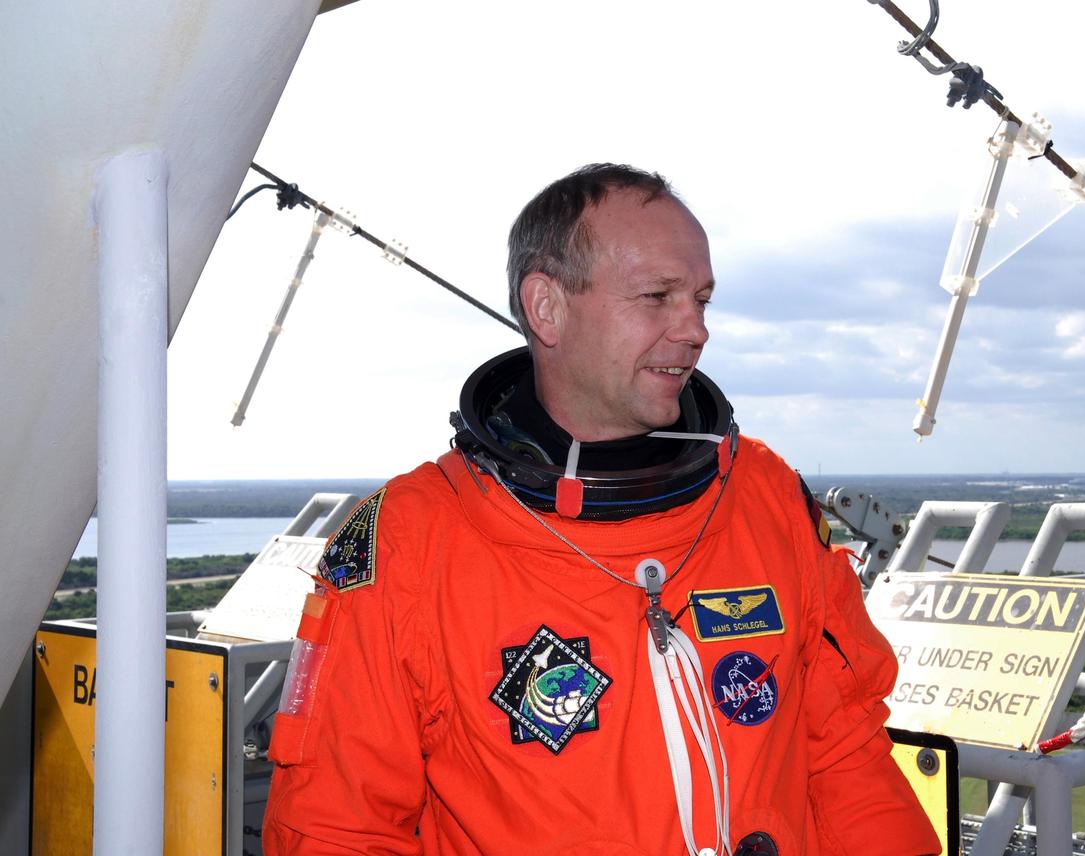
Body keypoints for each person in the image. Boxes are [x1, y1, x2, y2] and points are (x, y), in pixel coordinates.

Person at [263, 164, 939, 856]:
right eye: (658, 297)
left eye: (702, 300)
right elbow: (336, 830)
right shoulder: (410, 545)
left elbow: (846, 759)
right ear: (547, 307)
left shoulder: (763, 498)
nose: (696, 330)